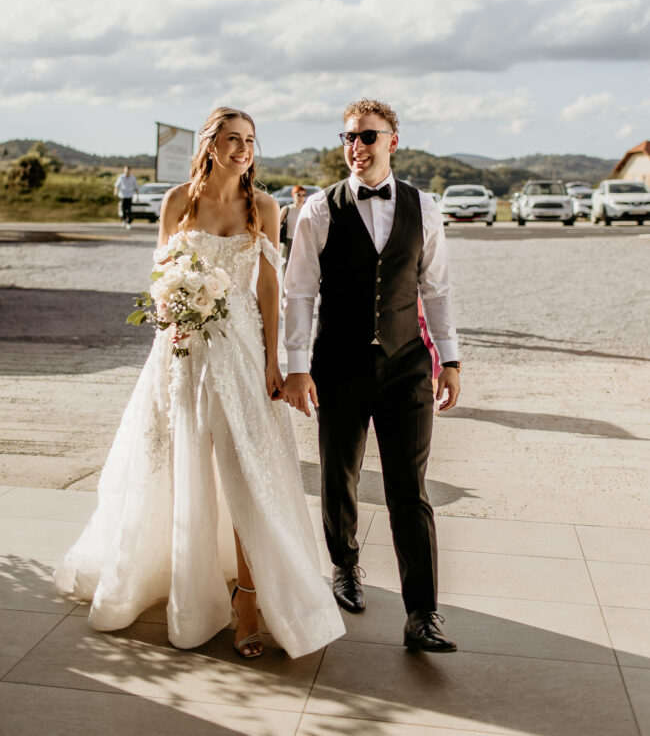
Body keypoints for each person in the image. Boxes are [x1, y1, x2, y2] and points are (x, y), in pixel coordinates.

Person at [55, 107, 344, 660]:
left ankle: (249, 601)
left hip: (242, 352)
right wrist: (172, 310)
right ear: (211, 145)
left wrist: (274, 361)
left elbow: (269, 289)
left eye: (250, 140)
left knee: (247, 470)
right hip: (182, 352)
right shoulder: (177, 202)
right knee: (180, 463)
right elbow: (161, 277)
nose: (243, 149)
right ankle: (185, 583)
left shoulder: (263, 207)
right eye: (233, 139)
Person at [283, 98, 461, 654]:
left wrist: (450, 359)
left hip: (406, 365)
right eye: (348, 137)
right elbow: (299, 293)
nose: (355, 147)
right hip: (338, 363)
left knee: (410, 488)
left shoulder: (424, 207)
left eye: (366, 136)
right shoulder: (318, 210)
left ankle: (422, 614)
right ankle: (345, 564)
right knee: (340, 473)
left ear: (392, 141)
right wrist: (297, 367)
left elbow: (437, 289)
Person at [279, 185, 307, 260]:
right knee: (286, 264)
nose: (301, 197)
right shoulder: (287, 209)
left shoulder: (306, 209)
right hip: (289, 241)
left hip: (302, 242)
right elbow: (276, 226)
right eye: (298, 195)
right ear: (293, 195)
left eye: (303, 195)